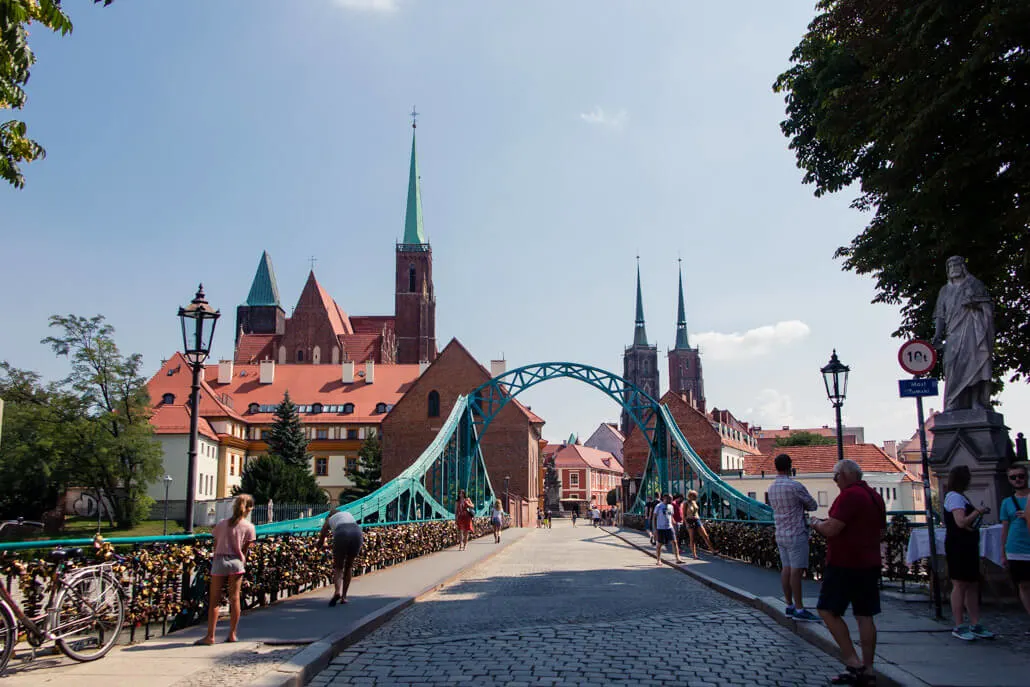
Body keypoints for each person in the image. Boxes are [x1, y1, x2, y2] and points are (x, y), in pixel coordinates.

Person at [811, 459, 885, 685]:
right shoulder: (874, 496)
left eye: (836, 475)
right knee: (865, 616)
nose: (834, 480)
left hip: (846, 564)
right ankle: (868, 670)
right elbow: (881, 530)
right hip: (869, 562)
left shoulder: (850, 496)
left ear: (846, 475)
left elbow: (832, 529)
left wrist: (816, 523)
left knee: (827, 610)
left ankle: (853, 662)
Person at [931, 255, 994, 411]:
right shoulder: (944, 291)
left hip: (973, 331)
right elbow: (940, 314)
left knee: (976, 366)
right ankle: (953, 402)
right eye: (950, 266)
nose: (953, 269)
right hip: (953, 334)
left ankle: (975, 402)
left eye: (956, 265)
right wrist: (937, 334)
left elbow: (988, 308)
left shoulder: (974, 285)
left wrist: (975, 305)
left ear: (962, 267)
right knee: (952, 367)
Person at [766, 454, 820, 623]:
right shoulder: (795, 486)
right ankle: (799, 608)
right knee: (796, 571)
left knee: (786, 569)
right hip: (796, 533)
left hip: (780, 533)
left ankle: (789, 605)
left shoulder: (772, 488)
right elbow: (813, 505)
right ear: (790, 466)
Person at [943, 465, 994, 640]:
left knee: (972, 584)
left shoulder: (960, 497)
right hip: (959, 546)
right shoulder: (954, 498)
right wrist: (978, 511)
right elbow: (961, 522)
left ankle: (975, 622)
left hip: (967, 545)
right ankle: (959, 624)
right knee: (960, 584)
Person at [197, 494, 255, 645]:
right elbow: (246, 549)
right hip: (236, 562)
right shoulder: (249, 527)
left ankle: (210, 636)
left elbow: (215, 544)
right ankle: (232, 634)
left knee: (215, 600)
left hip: (219, 561)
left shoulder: (222, 524)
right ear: (248, 509)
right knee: (234, 598)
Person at [1000, 462, 1030, 632]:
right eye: (1013, 477)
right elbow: (1005, 528)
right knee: (1024, 585)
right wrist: (1003, 551)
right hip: (1016, 548)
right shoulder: (1007, 502)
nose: (1018, 480)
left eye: (1021, 476)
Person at [317, 506, 363, 606]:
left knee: (338, 567)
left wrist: (319, 544)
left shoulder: (330, 519)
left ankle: (337, 591)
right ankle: (344, 597)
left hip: (341, 532)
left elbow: (323, 531)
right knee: (349, 565)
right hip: (357, 532)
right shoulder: (348, 514)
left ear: (330, 515)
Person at [683, 491, 717, 559]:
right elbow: (684, 515)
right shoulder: (686, 503)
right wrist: (686, 523)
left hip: (697, 520)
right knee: (692, 538)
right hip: (690, 521)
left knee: (705, 535)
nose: (696, 497)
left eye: (696, 495)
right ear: (690, 496)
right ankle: (694, 555)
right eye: (694, 495)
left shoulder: (694, 502)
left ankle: (713, 550)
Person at [653, 494, 683, 565]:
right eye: (670, 499)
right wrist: (655, 529)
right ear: (664, 498)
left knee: (674, 542)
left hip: (669, 527)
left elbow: (670, 516)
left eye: (672, 499)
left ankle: (678, 558)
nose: (671, 501)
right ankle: (658, 560)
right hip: (660, 528)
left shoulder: (671, 506)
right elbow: (654, 517)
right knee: (660, 544)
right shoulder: (658, 506)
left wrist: (674, 523)